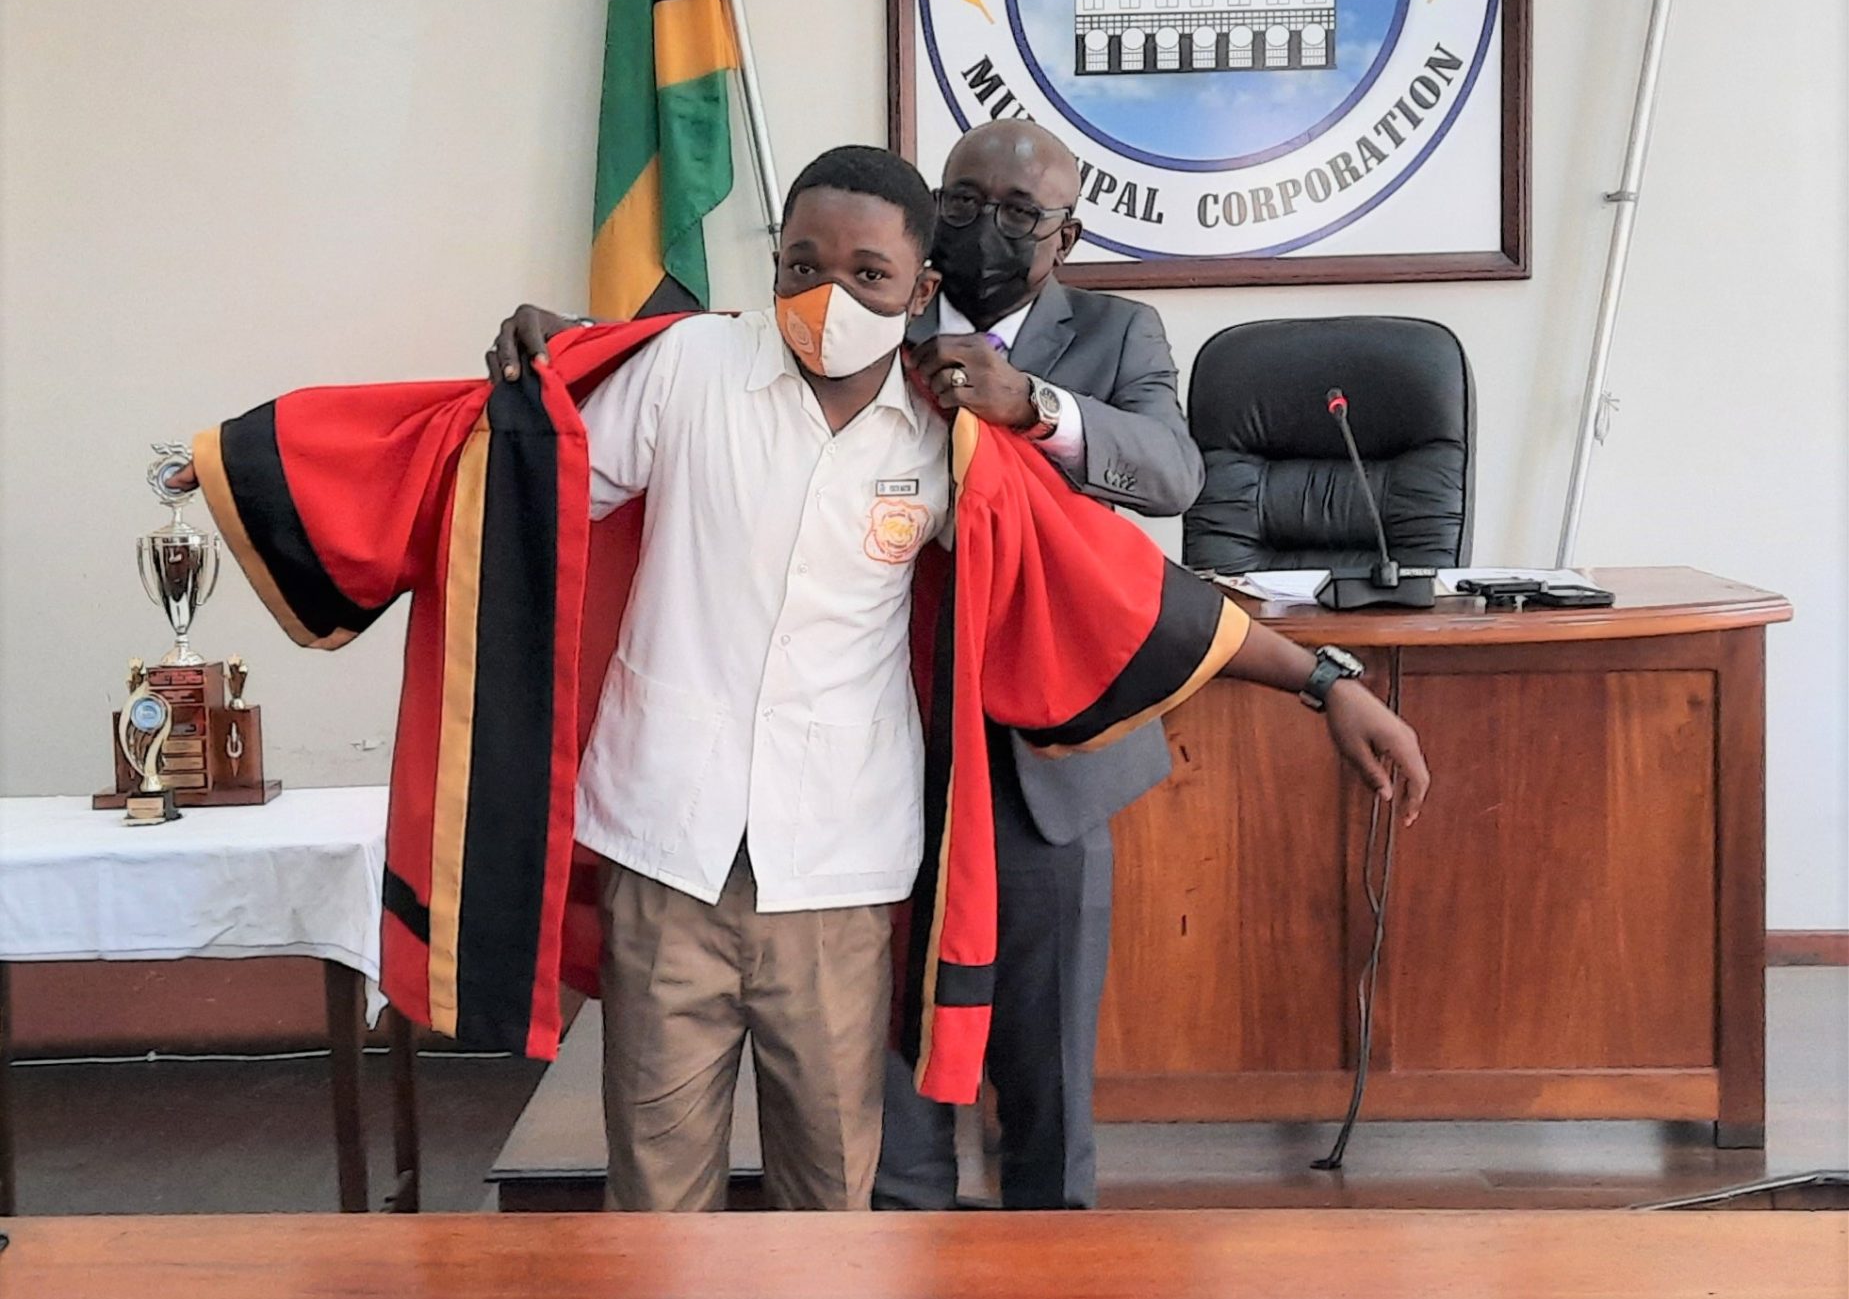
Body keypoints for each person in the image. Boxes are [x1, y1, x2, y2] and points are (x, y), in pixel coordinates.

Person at [877, 119, 1426, 1211]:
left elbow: (1171, 475)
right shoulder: (877, 299)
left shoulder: (1116, 331)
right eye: (962, 201)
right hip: (886, 734)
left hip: (1052, 751)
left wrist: (1031, 407)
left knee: (1045, 1076)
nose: (984, 226)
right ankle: (898, 1267)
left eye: (1017, 212)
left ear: (1066, 233)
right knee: (891, 1068)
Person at [495, 144, 948, 1212]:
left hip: (836, 868)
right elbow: (538, 496)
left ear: (921, 289)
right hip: (668, 847)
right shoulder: (694, 366)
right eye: (799, 264)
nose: (824, 296)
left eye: (867, 274)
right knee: (655, 1196)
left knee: (830, 1192)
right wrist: (542, 375)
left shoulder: (945, 429)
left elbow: (1056, 574)